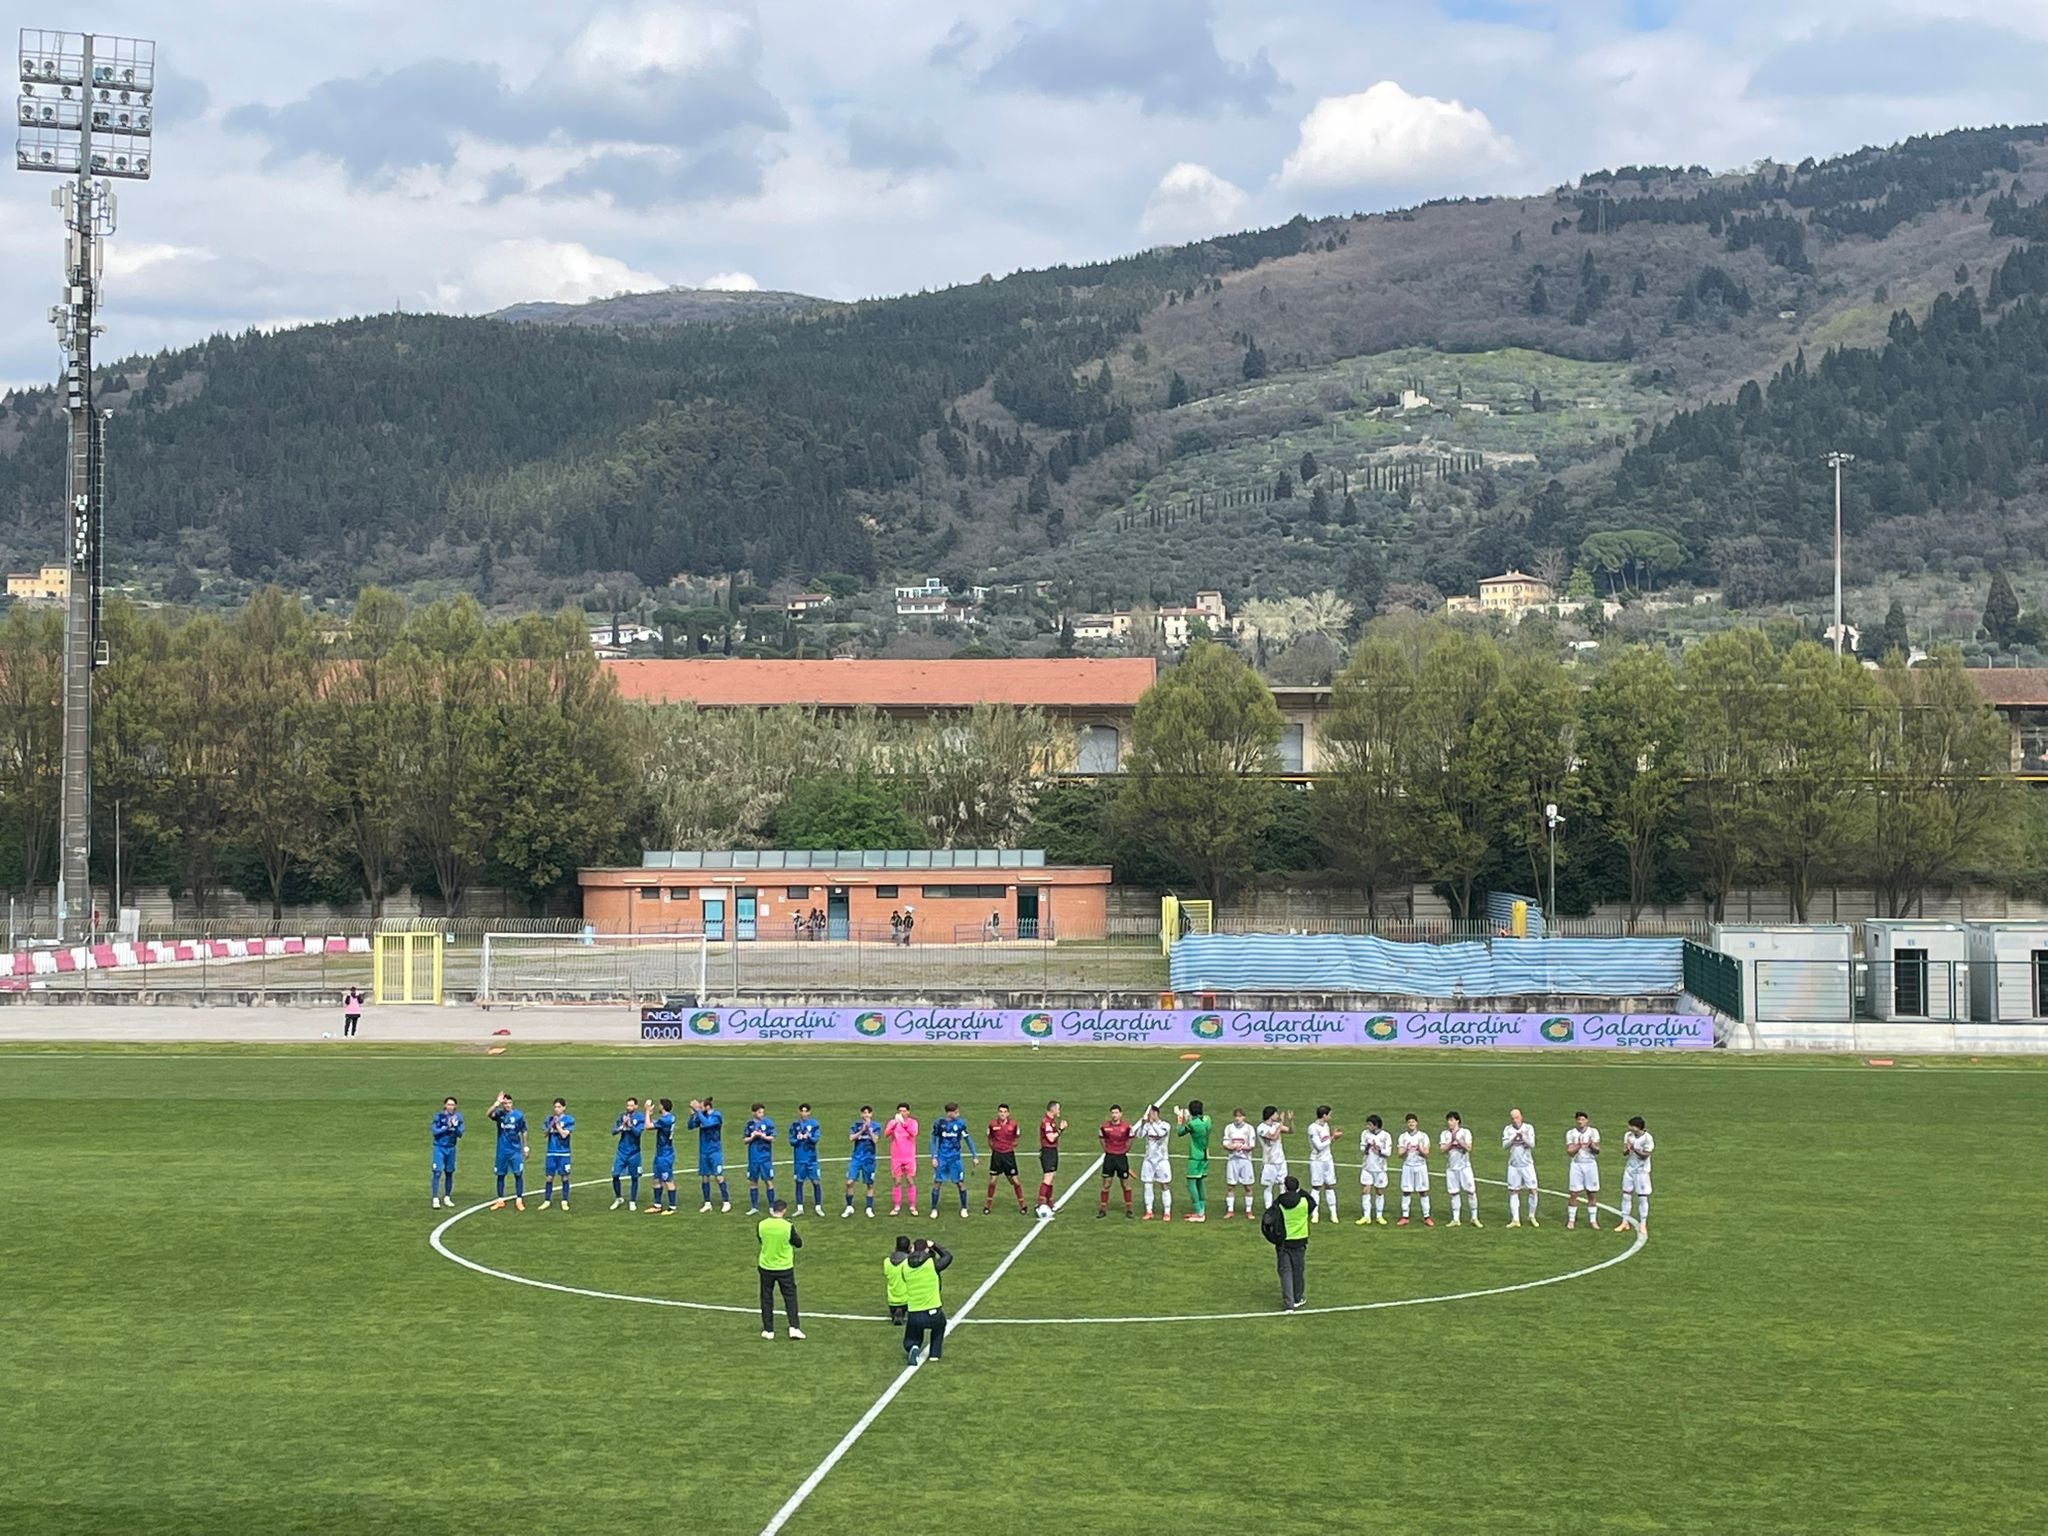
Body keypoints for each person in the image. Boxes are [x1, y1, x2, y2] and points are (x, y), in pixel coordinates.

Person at [755, 1198, 805, 1341]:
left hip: (766, 1266)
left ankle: (768, 1329)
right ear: (784, 1210)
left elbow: (761, 1239)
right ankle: (794, 1327)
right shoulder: (787, 1226)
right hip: (784, 1267)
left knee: (766, 1298)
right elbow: (798, 1243)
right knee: (790, 1297)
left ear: (772, 1210)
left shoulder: (762, 1225)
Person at [1264, 1172, 1313, 1311]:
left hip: (1284, 1242)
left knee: (1285, 1272)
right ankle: (1298, 1297)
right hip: (1300, 1240)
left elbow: (1269, 1218)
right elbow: (1312, 1202)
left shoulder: (1280, 1203)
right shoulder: (1304, 1202)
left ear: (1285, 1188)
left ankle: (1289, 1303)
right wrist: (1301, 1191)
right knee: (1298, 1270)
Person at [901, 1237, 952, 1365]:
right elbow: (947, 1256)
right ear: (926, 1250)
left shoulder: (904, 1266)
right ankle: (935, 1353)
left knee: (913, 1333)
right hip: (933, 1311)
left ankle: (913, 1346)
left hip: (913, 1312)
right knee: (940, 1326)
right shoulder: (932, 1264)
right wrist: (934, 1245)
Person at [928, 1102, 977, 1219]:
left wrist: (974, 1155)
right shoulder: (939, 1123)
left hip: (955, 1159)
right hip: (942, 1158)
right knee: (937, 1183)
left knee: (960, 1183)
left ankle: (964, 1208)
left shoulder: (960, 1124)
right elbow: (933, 1140)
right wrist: (934, 1157)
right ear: (949, 1113)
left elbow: (967, 1139)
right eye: (956, 1112)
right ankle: (934, 1209)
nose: (958, 1114)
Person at [983, 1102, 1028, 1215]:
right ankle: (987, 1205)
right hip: (997, 1156)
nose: (1002, 1114)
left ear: (1008, 1113)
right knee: (993, 1181)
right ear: (998, 1113)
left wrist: (1010, 1146)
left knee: (1015, 1181)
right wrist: (994, 1148)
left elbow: (1017, 1137)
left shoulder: (1013, 1124)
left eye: (1004, 1112)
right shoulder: (992, 1124)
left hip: (1008, 1156)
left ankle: (1022, 1205)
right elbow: (989, 1138)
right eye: (1000, 1112)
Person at [689, 1096, 731, 1212]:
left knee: (718, 1176)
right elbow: (690, 1126)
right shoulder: (702, 1116)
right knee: (705, 1177)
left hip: (714, 1151)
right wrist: (693, 1115)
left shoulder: (716, 1115)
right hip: (703, 1151)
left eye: (701, 1107)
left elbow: (707, 1124)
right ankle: (707, 1203)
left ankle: (726, 1201)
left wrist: (698, 1111)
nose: (700, 1108)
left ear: (707, 1107)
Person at [487, 1092, 528, 1211]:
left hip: (515, 1150)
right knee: (500, 1174)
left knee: (518, 1174)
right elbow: (488, 1114)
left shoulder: (518, 1115)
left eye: (509, 1103)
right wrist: (496, 1103)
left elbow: (523, 1131)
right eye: (505, 1103)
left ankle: (519, 1199)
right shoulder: (499, 1115)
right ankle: (500, 1200)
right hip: (502, 1150)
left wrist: (525, 1147)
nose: (507, 1105)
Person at [1440, 1111, 1481, 1228]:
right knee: (1454, 1193)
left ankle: (1474, 1217)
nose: (1449, 1123)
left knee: (1471, 1191)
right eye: (1448, 1120)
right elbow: (1442, 1150)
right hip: (1451, 1168)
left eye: (1452, 1120)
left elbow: (1469, 1147)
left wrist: (1458, 1141)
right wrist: (1450, 1143)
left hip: (1464, 1167)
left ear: (1457, 1121)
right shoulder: (1444, 1134)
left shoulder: (1465, 1132)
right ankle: (1456, 1219)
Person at [1174, 1098, 1212, 1222]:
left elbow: (1180, 1132)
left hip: (1195, 1156)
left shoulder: (1192, 1124)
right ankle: (1202, 1210)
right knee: (1200, 1182)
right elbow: (1197, 1123)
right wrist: (1188, 1117)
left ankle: (1198, 1213)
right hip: (1205, 1155)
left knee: (1191, 1183)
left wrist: (1179, 1119)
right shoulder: (1207, 1119)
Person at [1564, 1111, 1602, 1230]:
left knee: (1591, 1193)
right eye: (1579, 1120)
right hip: (1576, 1165)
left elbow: (1597, 1150)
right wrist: (1579, 1145)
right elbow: (1570, 1152)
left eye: (1583, 1119)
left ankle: (1593, 1220)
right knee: (1574, 1193)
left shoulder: (1593, 1132)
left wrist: (1591, 1145)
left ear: (1587, 1120)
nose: (1581, 1122)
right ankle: (1571, 1220)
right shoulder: (1571, 1133)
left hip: (1590, 1165)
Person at [1097, 1104, 1135, 1219]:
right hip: (1109, 1158)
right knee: (1106, 1184)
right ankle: (1102, 1209)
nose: (1114, 1115)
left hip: (1121, 1158)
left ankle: (1129, 1209)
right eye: (1112, 1113)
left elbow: (1130, 1139)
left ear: (1120, 1114)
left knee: (1125, 1184)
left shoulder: (1126, 1126)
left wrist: (1124, 1150)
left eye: (1116, 1113)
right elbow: (1102, 1139)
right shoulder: (1104, 1127)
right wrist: (1108, 1150)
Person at [1502, 1107, 1539, 1228]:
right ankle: (1515, 1219)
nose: (1515, 1120)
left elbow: (1532, 1144)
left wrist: (1523, 1137)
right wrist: (1513, 1138)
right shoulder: (1507, 1130)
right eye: (1513, 1118)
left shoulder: (1528, 1128)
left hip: (1527, 1165)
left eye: (1517, 1117)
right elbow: (1504, 1146)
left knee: (1533, 1190)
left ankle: (1532, 1215)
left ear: (1521, 1117)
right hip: (1513, 1166)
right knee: (1514, 1191)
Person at [1135, 1104, 1173, 1220]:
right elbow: (1139, 1135)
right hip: (1149, 1160)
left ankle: (1167, 1211)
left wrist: (1151, 1123)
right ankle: (1149, 1210)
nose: (1150, 1116)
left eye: (1152, 1113)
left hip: (1162, 1160)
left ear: (1156, 1114)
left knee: (1164, 1184)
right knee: (1147, 1184)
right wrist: (1142, 1124)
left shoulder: (1165, 1125)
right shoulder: (1147, 1126)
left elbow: (1161, 1134)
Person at [1618, 1116, 1653, 1236]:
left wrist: (1634, 1149)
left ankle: (1643, 1223)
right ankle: (1624, 1221)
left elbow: (1645, 1155)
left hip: (1641, 1171)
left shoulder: (1647, 1138)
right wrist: (1627, 1150)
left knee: (1642, 1197)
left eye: (1631, 1126)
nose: (1629, 1128)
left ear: (1637, 1127)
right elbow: (1624, 1153)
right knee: (1626, 1195)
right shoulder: (1628, 1135)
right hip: (1629, 1169)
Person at [884, 1102, 921, 1216]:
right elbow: (886, 1134)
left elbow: (913, 1133)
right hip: (896, 1157)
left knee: (910, 1181)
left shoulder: (913, 1122)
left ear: (908, 1112)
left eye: (904, 1111)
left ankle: (912, 1206)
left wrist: (903, 1124)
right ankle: (896, 1206)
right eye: (900, 1111)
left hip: (909, 1156)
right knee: (897, 1182)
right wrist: (895, 1125)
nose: (902, 1113)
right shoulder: (892, 1122)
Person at [1396, 1112, 1432, 1226]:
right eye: (1409, 1122)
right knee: (1406, 1191)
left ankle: (1427, 1216)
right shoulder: (1403, 1137)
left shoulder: (1423, 1136)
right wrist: (1406, 1149)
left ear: (1416, 1123)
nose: (1411, 1124)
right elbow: (1400, 1155)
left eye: (1413, 1121)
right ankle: (1405, 1216)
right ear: (1407, 1124)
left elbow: (1426, 1154)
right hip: (1407, 1166)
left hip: (1420, 1166)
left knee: (1423, 1191)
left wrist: (1420, 1150)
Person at [1220, 1107, 1257, 1218]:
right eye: (1236, 1116)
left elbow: (1252, 1146)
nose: (1238, 1118)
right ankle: (1230, 1210)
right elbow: (1225, 1143)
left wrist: (1242, 1147)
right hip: (1233, 1160)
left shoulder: (1249, 1128)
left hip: (1245, 1161)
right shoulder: (1229, 1128)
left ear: (1244, 1117)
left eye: (1240, 1116)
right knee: (1230, 1186)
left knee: (1248, 1186)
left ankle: (1249, 1210)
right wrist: (1231, 1147)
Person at [1355, 1113, 1392, 1226]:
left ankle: (1379, 1215)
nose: (1367, 1126)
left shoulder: (1386, 1136)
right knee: (1365, 1190)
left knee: (1379, 1191)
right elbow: (1362, 1149)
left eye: (1370, 1124)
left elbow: (1388, 1153)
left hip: (1380, 1169)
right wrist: (1367, 1147)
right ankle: (1366, 1216)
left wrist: (1378, 1150)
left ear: (1376, 1125)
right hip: (1367, 1167)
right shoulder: (1365, 1134)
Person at [788, 1103, 824, 1216]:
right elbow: (791, 1141)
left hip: (811, 1159)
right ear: (799, 1112)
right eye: (802, 1111)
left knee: (816, 1182)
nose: (804, 1113)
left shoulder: (814, 1125)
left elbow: (815, 1139)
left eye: (806, 1111)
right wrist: (797, 1139)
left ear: (809, 1112)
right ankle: (799, 1208)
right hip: (799, 1159)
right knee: (799, 1182)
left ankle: (818, 1207)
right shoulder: (794, 1125)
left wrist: (808, 1137)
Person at [1305, 1104, 1339, 1223]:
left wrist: (1333, 1138)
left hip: (1328, 1160)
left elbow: (1326, 1143)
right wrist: (1332, 1138)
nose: (1331, 1117)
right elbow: (1319, 1146)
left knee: (1330, 1185)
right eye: (1329, 1114)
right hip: (1317, 1161)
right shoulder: (1312, 1128)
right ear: (1324, 1115)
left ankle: (1333, 1213)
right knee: (1316, 1187)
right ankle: (1315, 1213)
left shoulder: (1326, 1125)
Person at [610, 1097, 645, 1211]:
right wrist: (621, 1127)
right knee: (615, 1175)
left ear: (636, 1106)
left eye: (631, 1105)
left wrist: (630, 1125)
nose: (629, 1108)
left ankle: (632, 1201)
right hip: (621, 1152)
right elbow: (613, 1131)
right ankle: (618, 1198)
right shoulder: (622, 1116)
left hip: (634, 1152)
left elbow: (638, 1133)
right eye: (627, 1105)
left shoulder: (640, 1117)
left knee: (634, 1177)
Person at [1035, 1099, 1069, 1216]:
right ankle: (1040, 1204)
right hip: (1048, 1152)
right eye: (1058, 1108)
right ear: (1053, 1109)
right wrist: (1061, 1129)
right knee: (1048, 1177)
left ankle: (1049, 1204)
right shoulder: (1047, 1122)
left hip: (1052, 1151)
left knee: (1052, 1177)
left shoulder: (1051, 1121)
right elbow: (1051, 1138)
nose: (1059, 1111)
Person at [845, 1105, 880, 1218]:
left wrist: (869, 1130)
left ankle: (869, 1208)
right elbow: (851, 1138)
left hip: (869, 1159)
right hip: (856, 1158)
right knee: (849, 1182)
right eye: (864, 1113)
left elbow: (875, 1140)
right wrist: (862, 1130)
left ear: (871, 1114)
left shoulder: (876, 1126)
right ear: (861, 1115)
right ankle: (849, 1206)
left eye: (868, 1113)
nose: (866, 1115)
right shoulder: (856, 1125)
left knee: (869, 1184)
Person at [743, 1102, 778, 1214]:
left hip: (765, 1158)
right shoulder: (749, 1124)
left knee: (768, 1181)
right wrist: (752, 1137)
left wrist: (763, 1136)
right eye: (759, 1112)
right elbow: (745, 1140)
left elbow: (773, 1138)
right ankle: (754, 1207)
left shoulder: (768, 1123)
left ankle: (772, 1207)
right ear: (753, 1113)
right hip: (753, 1158)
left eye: (762, 1112)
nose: (761, 1114)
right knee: (753, 1181)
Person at [645, 1096, 678, 1214]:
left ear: (663, 1107)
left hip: (665, 1155)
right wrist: (649, 1115)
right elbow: (654, 1123)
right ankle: (657, 1205)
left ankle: (672, 1207)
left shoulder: (666, 1120)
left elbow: (648, 1126)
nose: (658, 1107)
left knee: (668, 1180)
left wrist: (647, 1111)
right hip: (660, 1154)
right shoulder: (668, 1118)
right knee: (656, 1179)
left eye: (659, 1105)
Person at [429, 1096, 463, 1209]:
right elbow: (434, 1131)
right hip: (439, 1147)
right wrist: (446, 1127)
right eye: (448, 1104)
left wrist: (455, 1126)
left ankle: (447, 1197)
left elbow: (460, 1134)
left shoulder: (458, 1117)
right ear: (445, 1105)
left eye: (452, 1105)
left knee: (449, 1172)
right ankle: (435, 1198)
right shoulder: (439, 1116)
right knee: (437, 1172)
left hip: (451, 1148)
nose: (450, 1107)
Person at [540, 1098, 574, 1210]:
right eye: (555, 1107)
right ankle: (547, 1200)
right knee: (549, 1177)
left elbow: (564, 1135)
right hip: (551, 1152)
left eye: (559, 1107)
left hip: (564, 1153)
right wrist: (551, 1125)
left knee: (564, 1177)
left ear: (564, 1108)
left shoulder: (569, 1120)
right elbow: (545, 1134)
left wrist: (557, 1125)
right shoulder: (549, 1119)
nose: (557, 1109)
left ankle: (564, 1200)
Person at [1257, 1105, 1293, 1209]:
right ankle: (1269, 1208)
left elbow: (1290, 1131)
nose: (1277, 1115)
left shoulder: (1276, 1125)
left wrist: (1290, 1121)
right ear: (1271, 1115)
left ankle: (1283, 1206)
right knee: (1268, 1186)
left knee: (1282, 1184)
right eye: (1276, 1114)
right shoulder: (1261, 1128)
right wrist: (1281, 1124)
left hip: (1280, 1160)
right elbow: (1273, 1137)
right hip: (1269, 1162)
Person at [884, 1234, 912, 1325]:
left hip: (892, 1300)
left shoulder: (887, 1261)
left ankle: (896, 1311)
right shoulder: (908, 1262)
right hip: (907, 1300)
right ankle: (902, 1310)